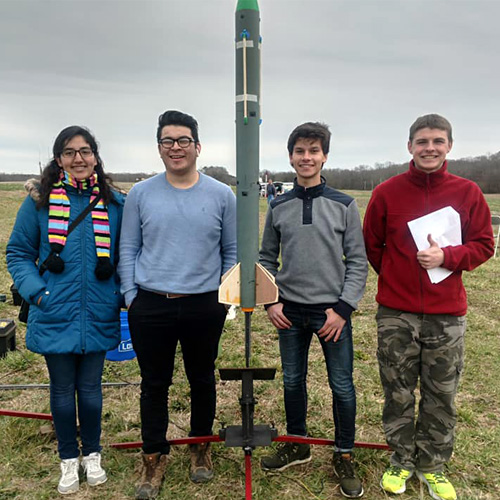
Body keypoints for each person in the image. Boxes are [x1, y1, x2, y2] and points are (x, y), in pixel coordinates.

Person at [363, 114, 494, 500]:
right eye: (422, 141)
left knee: (441, 393)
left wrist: (447, 257)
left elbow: (485, 245)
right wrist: (397, 277)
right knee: (398, 391)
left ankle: (433, 466)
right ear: (410, 147)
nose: (430, 148)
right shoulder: (387, 192)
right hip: (396, 314)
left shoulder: (468, 192)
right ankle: (401, 459)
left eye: (438, 141)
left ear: (449, 146)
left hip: (447, 314)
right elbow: (373, 245)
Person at [118, 110, 237, 500]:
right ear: (159, 148)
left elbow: (230, 251)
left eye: (183, 140)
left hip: (204, 305)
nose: (176, 147)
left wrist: (221, 301)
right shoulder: (141, 194)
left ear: (197, 147)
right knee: (154, 384)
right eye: (167, 141)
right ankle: (153, 455)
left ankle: (200, 446)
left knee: (202, 378)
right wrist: (132, 298)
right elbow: (129, 248)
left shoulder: (221, 195)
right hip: (151, 304)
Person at [7, 126, 125, 495]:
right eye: (70, 152)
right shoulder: (38, 203)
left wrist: (117, 293)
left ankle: (93, 454)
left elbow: (128, 255)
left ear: (95, 157)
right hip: (54, 309)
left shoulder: (115, 203)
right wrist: (38, 294)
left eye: (85, 151)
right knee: (61, 390)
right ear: (59, 159)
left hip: (97, 311)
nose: (79, 158)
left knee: (90, 390)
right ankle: (67, 459)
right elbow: (18, 253)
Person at [259, 122, 368, 498]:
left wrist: (343, 308)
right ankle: (297, 443)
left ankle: (344, 452)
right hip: (289, 312)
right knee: (292, 380)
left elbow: (357, 261)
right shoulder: (278, 205)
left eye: (314, 151)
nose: (307, 157)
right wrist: (271, 300)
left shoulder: (344, 205)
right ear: (290, 156)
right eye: (300, 151)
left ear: (325, 156)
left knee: (341, 384)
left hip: (332, 314)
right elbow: (265, 259)